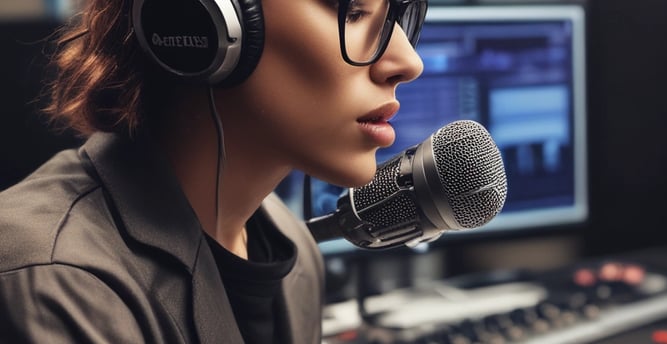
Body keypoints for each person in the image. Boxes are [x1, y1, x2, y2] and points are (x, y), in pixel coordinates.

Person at [0, 0, 425, 342]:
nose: (408, 61)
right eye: (352, 12)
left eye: (400, 17)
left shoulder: (293, 249)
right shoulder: (55, 284)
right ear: (204, 23)